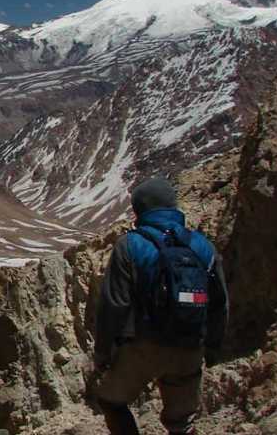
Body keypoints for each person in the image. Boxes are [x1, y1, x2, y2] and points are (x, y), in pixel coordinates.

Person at [92, 177, 229, 435]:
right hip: (190, 345)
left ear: (139, 210)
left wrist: (103, 354)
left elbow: (114, 305)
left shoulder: (130, 245)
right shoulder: (203, 246)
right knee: (181, 422)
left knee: (111, 401)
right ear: (173, 205)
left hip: (143, 347)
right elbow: (219, 302)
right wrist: (212, 347)